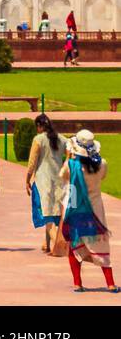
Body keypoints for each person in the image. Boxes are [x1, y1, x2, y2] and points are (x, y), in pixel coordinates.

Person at [58, 129, 117, 292]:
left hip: (78, 210)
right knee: (101, 245)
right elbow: (102, 176)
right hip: (96, 211)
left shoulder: (71, 166)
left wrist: (70, 158)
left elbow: (62, 175)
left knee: (75, 245)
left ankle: (77, 283)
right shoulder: (102, 164)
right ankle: (110, 283)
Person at [26, 113, 66, 253]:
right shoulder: (61, 139)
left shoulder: (39, 139)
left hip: (42, 181)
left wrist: (27, 179)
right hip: (59, 181)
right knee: (53, 213)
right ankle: (47, 244)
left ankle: (58, 244)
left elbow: (32, 162)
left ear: (39, 126)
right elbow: (71, 153)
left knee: (46, 215)